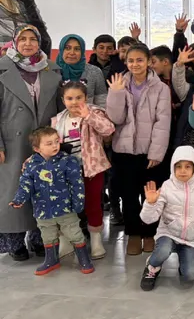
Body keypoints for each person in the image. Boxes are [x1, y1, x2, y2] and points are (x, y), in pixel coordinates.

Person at [0, 25, 61, 261]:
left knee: (43, 189)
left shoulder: (50, 68)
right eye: (23, 39)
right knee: (14, 191)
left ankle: (40, 238)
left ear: (39, 42)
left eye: (32, 39)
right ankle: (14, 243)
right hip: (12, 142)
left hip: (45, 141)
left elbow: (60, 108)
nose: (28, 43)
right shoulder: (3, 68)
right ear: (15, 43)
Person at [105, 43, 172, 256]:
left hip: (150, 152)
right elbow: (115, 119)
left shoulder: (161, 88)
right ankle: (133, 233)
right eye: (131, 60)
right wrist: (115, 94)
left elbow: (163, 122)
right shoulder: (119, 84)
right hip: (124, 151)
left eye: (140, 60)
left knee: (150, 195)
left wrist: (156, 153)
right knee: (129, 195)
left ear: (149, 62)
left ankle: (149, 233)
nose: (135, 64)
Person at [10, 127, 94, 275]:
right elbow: (25, 184)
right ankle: (51, 260)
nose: (55, 145)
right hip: (43, 211)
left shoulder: (68, 161)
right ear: (37, 148)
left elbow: (77, 184)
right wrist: (19, 199)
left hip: (66, 209)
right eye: (49, 143)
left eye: (56, 141)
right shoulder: (31, 164)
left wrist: (78, 203)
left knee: (74, 234)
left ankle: (84, 259)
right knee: (48, 236)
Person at [51, 80, 115, 259]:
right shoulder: (58, 119)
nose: (74, 102)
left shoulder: (95, 112)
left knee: (92, 204)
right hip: (67, 171)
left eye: (78, 97)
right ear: (63, 100)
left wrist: (88, 116)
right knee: (66, 205)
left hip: (92, 168)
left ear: (86, 98)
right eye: (70, 98)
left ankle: (96, 240)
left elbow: (108, 130)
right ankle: (67, 240)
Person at [139, 146, 194, 291]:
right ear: (172, 167)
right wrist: (150, 203)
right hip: (167, 234)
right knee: (163, 250)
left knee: (191, 275)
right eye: (178, 166)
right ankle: (152, 266)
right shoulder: (167, 187)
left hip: (189, 238)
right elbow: (148, 219)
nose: (183, 170)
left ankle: (184, 259)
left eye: (188, 166)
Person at [56, 34, 107, 107]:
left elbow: (102, 103)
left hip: (88, 114)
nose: (72, 53)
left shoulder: (94, 72)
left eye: (77, 49)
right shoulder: (53, 72)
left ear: (82, 51)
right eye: (67, 48)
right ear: (61, 50)